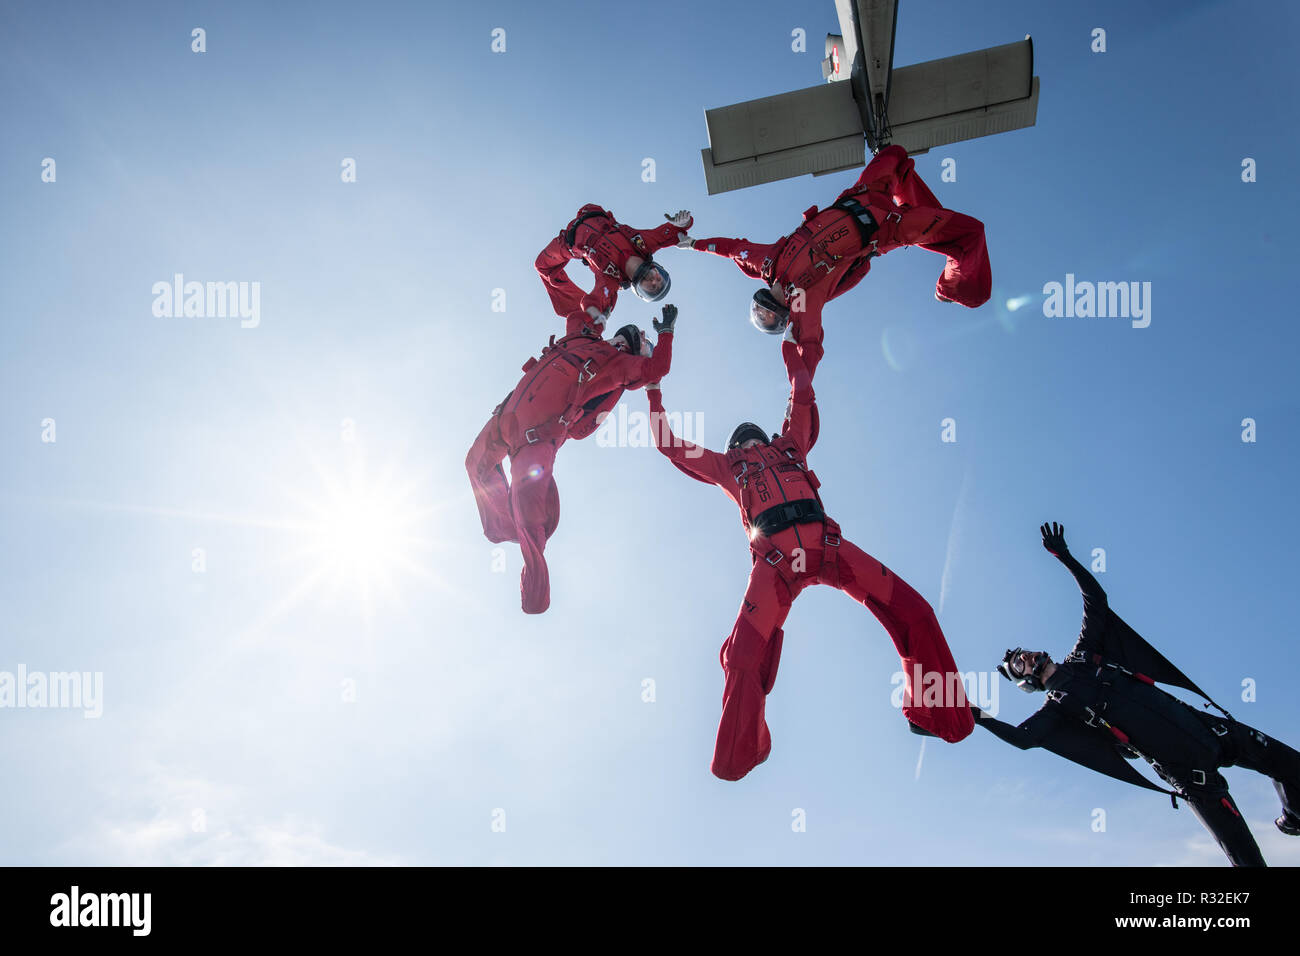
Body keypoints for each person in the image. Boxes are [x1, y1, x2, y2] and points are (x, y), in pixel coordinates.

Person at [645, 330, 973, 780]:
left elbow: (801, 399)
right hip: (776, 564)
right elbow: (668, 442)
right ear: (732, 450)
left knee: (916, 612)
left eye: (749, 434)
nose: (744, 439)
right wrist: (653, 386)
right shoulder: (727, 467)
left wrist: (797, 353)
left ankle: (935, 714)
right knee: (741, 657)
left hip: (828, 549)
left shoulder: (789, 447)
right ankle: (745, 751)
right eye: (738, 439)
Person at [973, 522, 1300, 866]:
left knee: (1292, 766)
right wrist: (974, 714)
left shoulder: (1084, 655)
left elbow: (1096, 601)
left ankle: (1294, 817)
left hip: (1211, 730)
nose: (1023, 657)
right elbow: (1023, 738)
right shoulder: (1057, 708)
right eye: (1017, 664)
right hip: (1191, 775)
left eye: (1021, 652)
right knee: (1248, 860)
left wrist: (1064, 557)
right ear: (1026, 682)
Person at [688, 145, 989, 379]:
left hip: (862, 195)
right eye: (766, 320)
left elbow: (732, 249)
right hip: (890, 226)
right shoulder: (806, 301)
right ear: (781, 319)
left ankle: (928, 219)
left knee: (894, 154)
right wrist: (796, 389)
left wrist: (691, 244)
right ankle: (951, 288)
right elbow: (811, 349)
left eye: (757, 314)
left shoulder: (769, 262)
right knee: (971, 233)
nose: (761, 312)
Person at [467, 307, 677, 613]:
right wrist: (605, 274)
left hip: (537, 439)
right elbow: (584, 306)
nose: (640, 339)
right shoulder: (581, 337)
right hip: (507, 420)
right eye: (641, 339)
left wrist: (666, 333)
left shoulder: (618, 365)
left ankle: (535, 599)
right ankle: (501, 526)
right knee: (474, 463)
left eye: (642, 343)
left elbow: (656, 369)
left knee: (529, 513)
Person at [535, 206, 693, 333]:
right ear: (658, 270)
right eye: (658, 280)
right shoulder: (644, 244)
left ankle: (575, 313)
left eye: (652, 287)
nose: (653, 281)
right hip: (592, 212)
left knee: (541, 265)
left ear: (641, 291)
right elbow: (670, 232)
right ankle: (581, 315)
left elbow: (597, 297)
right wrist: (685, 222)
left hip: (568, 241)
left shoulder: (611, 279)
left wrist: (595, 313)